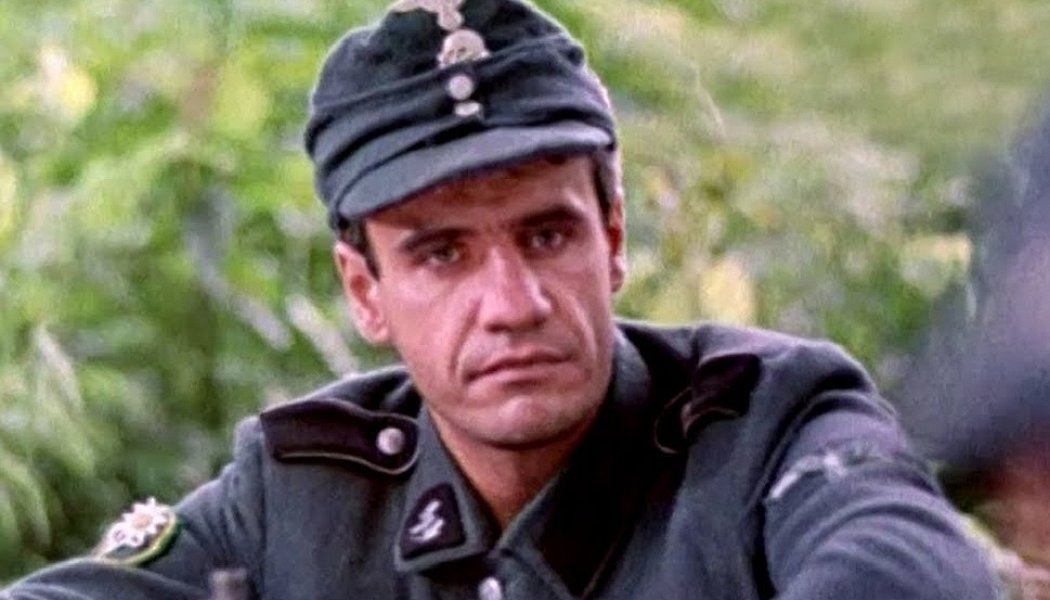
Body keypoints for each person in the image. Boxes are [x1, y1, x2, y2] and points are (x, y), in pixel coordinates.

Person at [2, 0, 998, 598]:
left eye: (547, 235)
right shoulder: (305, 497)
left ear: (612, 239)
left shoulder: (766, 425)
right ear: (366, 292)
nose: (513, 302)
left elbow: (900, 567)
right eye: (442, 255)